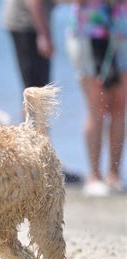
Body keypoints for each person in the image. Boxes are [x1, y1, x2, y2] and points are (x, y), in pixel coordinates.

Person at [2, 0, 83, 184]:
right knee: (35, 93)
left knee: (37, 92)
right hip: (26, 24)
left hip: (26, 23)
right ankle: (35, 160)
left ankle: (40, 157)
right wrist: (44, 35)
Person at [66, 0, 126, 196]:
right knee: (96, 106)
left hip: (121, 32)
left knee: (119, 107)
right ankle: (94, 176)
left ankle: (114, 175)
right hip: (87, 32)